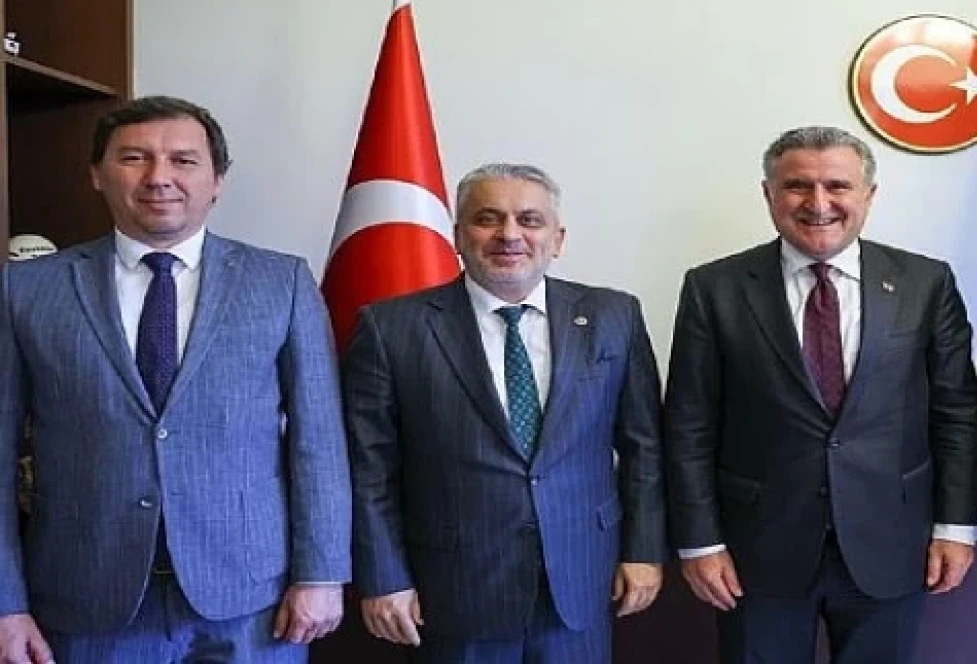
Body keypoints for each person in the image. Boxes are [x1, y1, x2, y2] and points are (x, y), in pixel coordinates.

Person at [0, 95, 352, 663]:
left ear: (217, 181)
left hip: (251, 600)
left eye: (183, 160)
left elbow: (320, 442)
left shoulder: (281, 283)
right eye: (134, 158)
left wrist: (322, 574)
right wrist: (5, 604)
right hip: (86, 597)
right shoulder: (26, 289)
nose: (159, 177)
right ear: (96, 174)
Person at [663, 126, 977, 663]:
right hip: (756, 552)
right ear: (768, 194)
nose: (818, 203)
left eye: (837, 186)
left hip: (892, 543)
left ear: (869, 195)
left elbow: (956, 413)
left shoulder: (924, 283)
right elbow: (689, 424)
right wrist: (700, 540)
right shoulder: (714, 288)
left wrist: (955, 525)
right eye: (797, 186)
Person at [343, 163, 666, 662]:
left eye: (529, 220)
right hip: (454, 592)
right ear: (458, 235)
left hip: (582, 580)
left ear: (557, 239)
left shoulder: (614, 317)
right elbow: (370, 470)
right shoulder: (391, 328)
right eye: (488, 218)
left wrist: (643, 550)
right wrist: (385, 577)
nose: (509, 234)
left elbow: (644, 447)